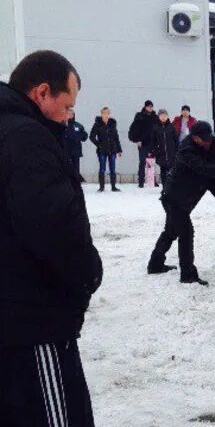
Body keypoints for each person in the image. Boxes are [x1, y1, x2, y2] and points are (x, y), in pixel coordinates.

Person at [0, 50, 102, 426]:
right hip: (32, 321)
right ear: (42, 92)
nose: (69, 115)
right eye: (67, 104)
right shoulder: (26, 139)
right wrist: (89, 272)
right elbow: (53, 227)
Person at [147, 121, 215, 285]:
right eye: (204, 140)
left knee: (170, 231)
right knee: (186, 232)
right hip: (174, 199)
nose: (208, 143)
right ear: (194, 138)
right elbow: (206, 169)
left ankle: (155, 264)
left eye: (209, 139)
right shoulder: (187, 152)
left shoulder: (208, 141)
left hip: (184, 199)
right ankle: (188, 275)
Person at [89, 106, 123, 192]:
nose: (106, 115)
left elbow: (116, 137)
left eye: (107, 113)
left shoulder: (112, 124)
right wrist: (99, 145)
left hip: (112, 149)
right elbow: (92, 137)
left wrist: (119, 150)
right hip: (102, 151)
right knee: (102, 169)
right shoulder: (97, 124)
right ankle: (101, 187)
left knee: (112, 169)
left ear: (109, 114)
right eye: (104, 113)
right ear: (101, 114)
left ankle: (113, 187)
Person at [128, 100, 159, 188]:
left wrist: (157, 141)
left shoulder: (155, 117)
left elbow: (157, 130)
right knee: (142, 162)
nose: (150, 108)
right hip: (142, 143)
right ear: (145, 107)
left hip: (152, 143)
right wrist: (137, 140)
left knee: (151, 162)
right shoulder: (139, 116)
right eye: (148, 106)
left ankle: (152, 180)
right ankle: (141, 181)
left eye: (151, 106)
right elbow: (134, 128)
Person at [151, 108, 179, 186]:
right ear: (159, 117)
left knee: (172, 171)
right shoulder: (156, 127)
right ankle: (164, 187)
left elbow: (176, 140)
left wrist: (177, 150)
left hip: (171, 153)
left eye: (165, 115)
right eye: (161, 115)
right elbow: (153, 141)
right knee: (163, 171)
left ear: (167, 116)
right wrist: (155, 151)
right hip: (161, 154)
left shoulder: (171, 126)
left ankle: (171, 187)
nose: (163, 117)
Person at [64, 109, 88, 182]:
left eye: (71, 114)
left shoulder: (78, 125)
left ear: (73, 115)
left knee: (76, 167)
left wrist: (80, 137)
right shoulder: (62, 123)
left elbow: (84, 136)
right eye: (68, 114)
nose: (70, 115)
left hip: (76, 150)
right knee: (66, 166)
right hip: (65, 150)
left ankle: (76, 182)